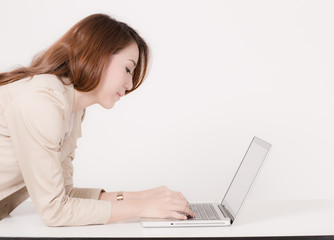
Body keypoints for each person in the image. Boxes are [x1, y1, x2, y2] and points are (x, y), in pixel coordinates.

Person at [0, 13, 194, 227]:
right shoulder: (44, 102)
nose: (130, 84)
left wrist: (142, 197)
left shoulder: (72, 110)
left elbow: (65, 194)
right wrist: (142, 207)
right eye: (128, 69)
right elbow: (55, 211)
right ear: (98, 55)